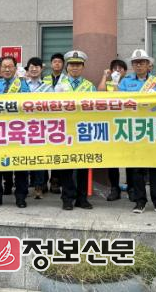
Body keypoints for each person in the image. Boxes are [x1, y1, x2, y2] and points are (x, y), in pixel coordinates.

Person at [119, 49, 156, 215]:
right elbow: (119, 101)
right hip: (134, 128)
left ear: (148, 64)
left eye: (142, 62)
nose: (139, 65)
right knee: (136, 168)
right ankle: (140, 201)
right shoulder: (125, 82)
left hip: (154, 128)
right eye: (135, 62)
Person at [0, 56, 31, 208]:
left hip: (17, 130)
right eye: (4, 66)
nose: (7, 69)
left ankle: (21, 197)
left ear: (15, 68)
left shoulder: (23, 84)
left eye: (10, 66)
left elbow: (27, 104)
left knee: (20, 166)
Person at [55, 50, 95, 210]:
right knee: (66, 166)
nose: (75, 67)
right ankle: (67, 197)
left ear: (83, 67)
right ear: (67, 67)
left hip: (83, 131)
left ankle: (82, 198)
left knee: (83, 165)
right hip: (65, 130)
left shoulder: (89, 86)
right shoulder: (59, 86)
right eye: (72, 64)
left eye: (78, 65)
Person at [98, 58, 128, 201]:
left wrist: (117, 84)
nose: (117, 71)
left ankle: (132, 187)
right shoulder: (108, 83)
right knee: (113, 160)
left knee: (130, 159)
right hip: (111, 125)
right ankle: (114, 188)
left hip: (127, 125)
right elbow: (99, 93)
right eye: (114, 68)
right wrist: (105, 77)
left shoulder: (129, 83)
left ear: (125, 71)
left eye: (120, 68)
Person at [25, 56, 54, 199]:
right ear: (27, 69)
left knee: (39, 157)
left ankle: (39, 186)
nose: (34, 69)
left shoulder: (48, 87)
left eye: (37, 66)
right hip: (23, 127)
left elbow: (52, 106)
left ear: (41, 69)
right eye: (31, 66)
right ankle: (24, 186)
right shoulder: (21, 85)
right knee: (24, 157)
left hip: (41, 127)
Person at [43, 52, 67, 194]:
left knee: (58, 151)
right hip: (46, 119)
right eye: (54, 61)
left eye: (59, 62)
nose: (57, 64)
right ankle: (43, 182)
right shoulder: (44, 79)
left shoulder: (66, 80)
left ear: (63, 65)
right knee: (45, 151)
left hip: (60, 119)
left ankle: (55, 181)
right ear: (51, 64)